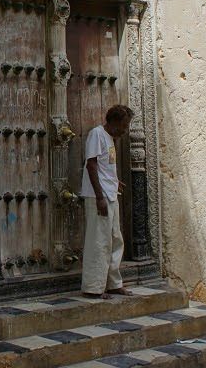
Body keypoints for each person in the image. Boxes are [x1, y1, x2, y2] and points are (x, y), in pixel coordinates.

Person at [80, 104, 133, 299]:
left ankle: (113, 283)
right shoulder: (97, 134)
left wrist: (114, 181)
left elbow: (104, 166)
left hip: (110, 194)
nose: (125, 130)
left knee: (114, 239)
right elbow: (91, 165)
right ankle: (94, 287)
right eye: (124, 126)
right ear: (114, 122)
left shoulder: (110, 138)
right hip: (98, 197)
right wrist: (100, 197)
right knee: (99, 241)